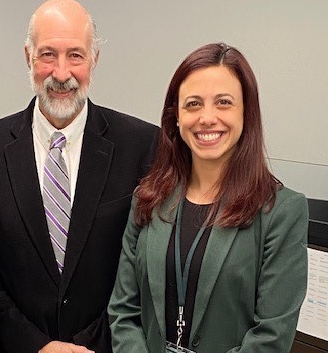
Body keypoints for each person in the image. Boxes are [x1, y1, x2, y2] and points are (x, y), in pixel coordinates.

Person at [0, 0, 158, 353]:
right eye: (48, 54)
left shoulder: (144, 146)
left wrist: (91, 344)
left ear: (94, 60)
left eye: (75, 55)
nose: (61, 74)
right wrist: (39, 346)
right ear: (28, 57)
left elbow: (148, 267)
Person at [108, 43, 308, 353]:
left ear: (247, 112)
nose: (207, 118)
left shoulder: (281, 212)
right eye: (193, 104)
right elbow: (123, 313)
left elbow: (271, 336)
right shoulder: (147, 199)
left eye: (224, 102)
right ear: (176, 117)